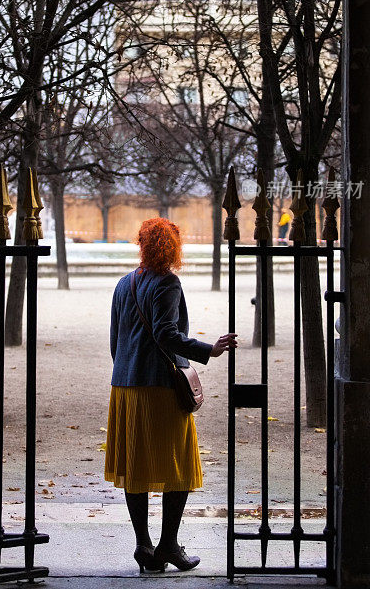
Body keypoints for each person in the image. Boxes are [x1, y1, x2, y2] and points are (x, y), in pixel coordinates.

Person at [104, 218, 238, 574]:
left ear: (142, 244)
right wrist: (210, 349)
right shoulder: (168, 283)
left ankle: (144, 546)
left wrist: (129, 370)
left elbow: (115, 341)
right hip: (160, 389)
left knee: (136, 468)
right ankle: (168, 545)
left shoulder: (123, 284)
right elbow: (166, 334)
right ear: (173, 247)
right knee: (177, 466)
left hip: (126, 387)